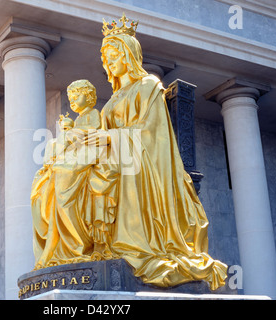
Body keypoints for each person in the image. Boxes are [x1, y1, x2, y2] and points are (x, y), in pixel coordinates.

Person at [31, 14, 228, 290]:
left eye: (113, 56)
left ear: (128, 55)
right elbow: (100, 131)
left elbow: (152, 135)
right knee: (49, 178)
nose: (108, 63)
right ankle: (69, 251)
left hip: (138, 158)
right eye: (106, 59)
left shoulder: (148, 86)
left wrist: (105, 138)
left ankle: (81, 247)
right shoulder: (111, 100)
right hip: (114, 152)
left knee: (68, 173)